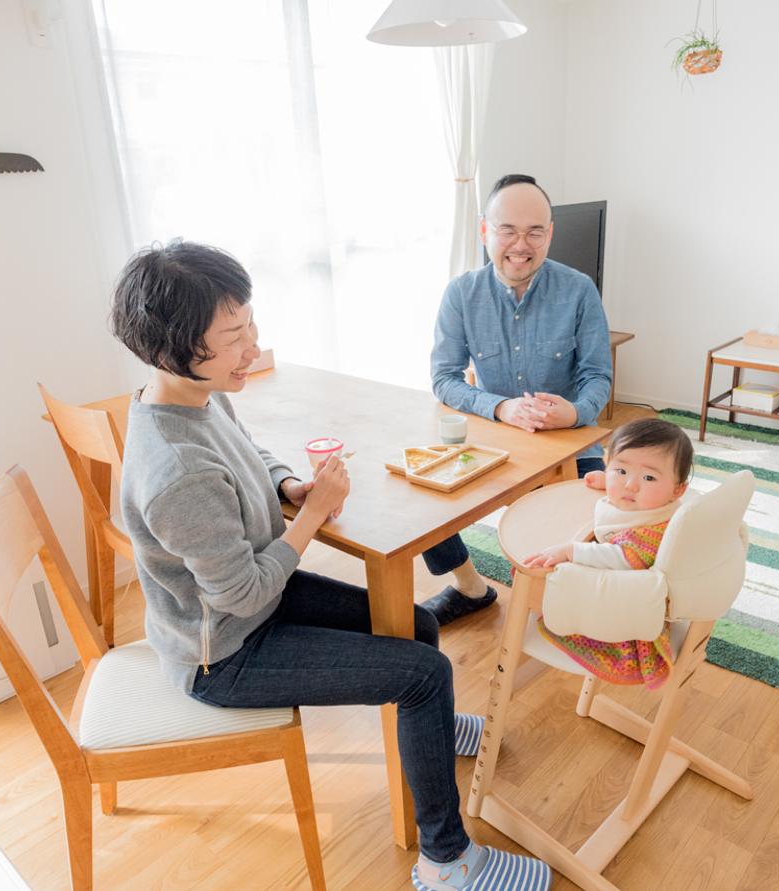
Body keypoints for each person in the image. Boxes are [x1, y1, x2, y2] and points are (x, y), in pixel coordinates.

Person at [111, 241, 551, 891]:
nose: (252, 347)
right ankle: (446, 862)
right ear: (172, 350)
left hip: (251, 605)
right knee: (425, 673)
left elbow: (250, 454)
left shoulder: (190, 396)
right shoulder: (174, 468)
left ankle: (431, 735)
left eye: (250, 325)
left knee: (414, 626)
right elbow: (240, 591)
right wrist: (314, 513)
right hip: (224, 651)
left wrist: (288, 487)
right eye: (233, 336)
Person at [421, 174, 614, 626]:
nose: (520, 245)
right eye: (508, 230)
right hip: (495, 445)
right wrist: (500, 407)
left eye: (535, 232)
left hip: (570, 444)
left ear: (550, 234)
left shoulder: (579, 289)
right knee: (424, 499)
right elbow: (444, 378)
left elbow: (597, 376)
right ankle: (471, 587)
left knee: (610, 517)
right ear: (485, 230)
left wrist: (577, 412)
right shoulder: (461, 294)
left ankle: (573, 599)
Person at [522, 418, 694, 689]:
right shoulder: (650, 502)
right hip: (627, 580)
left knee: (531, 577)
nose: (630, 486)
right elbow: (630, 484)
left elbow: (623, 557)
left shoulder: (653, 531)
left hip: (626, 608)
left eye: (648, 477)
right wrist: (608, 481)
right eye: (620, 471)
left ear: (677, 490)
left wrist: (571, 551)